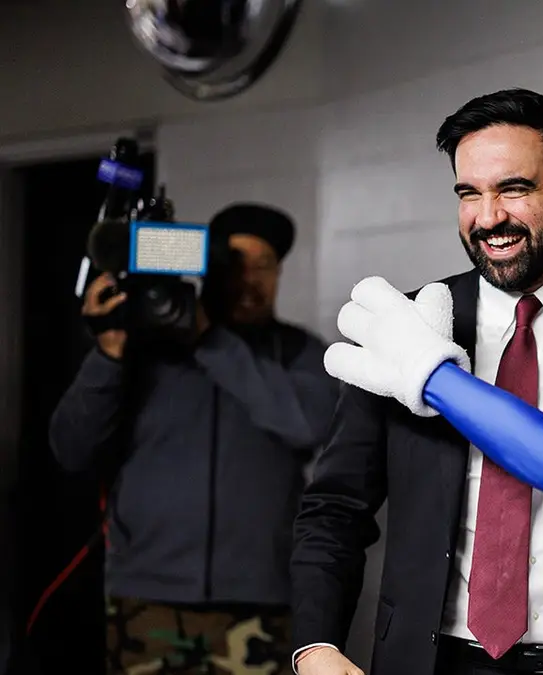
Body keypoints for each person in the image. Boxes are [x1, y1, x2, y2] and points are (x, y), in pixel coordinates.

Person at [290, 89, 543, 675]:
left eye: (514, 188)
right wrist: (316, 646)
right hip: (441, 663)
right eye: (468, 194)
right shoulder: (403, 328)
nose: (488, 218)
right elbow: (334, 507)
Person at [49, 203, 339, 674]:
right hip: (146, 598)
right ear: (208, 271)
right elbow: (71, 447)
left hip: (260, 605)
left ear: (280, 273)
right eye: (236, 266)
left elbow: (312, 425)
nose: (250, 280)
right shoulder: (143, 351)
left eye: (264, 266)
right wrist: (108, 356)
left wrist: (208, 339)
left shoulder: (301, 354)